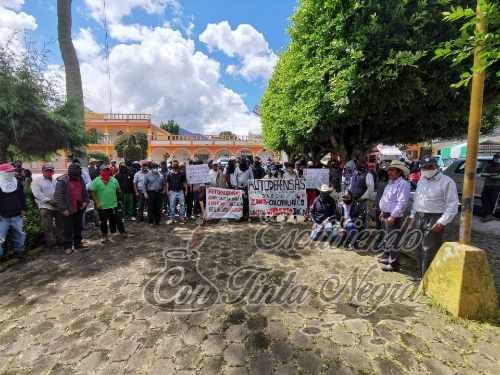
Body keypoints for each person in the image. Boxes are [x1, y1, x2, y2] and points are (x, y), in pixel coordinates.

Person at [410, 156, 459, 279]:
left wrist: (442, 222)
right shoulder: (422, 180)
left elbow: (452, 204)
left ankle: (428, 276)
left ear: (435, 167)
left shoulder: (447, 182)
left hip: (435, 217)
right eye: (424, 167)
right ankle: (420, 272)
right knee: (417, 247)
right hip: (419, 216)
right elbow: (417, 199)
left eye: (429, 167)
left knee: (429, 249)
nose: (427, 169)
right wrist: (412, 216)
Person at [378, 160, 411, 272]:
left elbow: (402, 202)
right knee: (388, 237)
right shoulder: (390, 183)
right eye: (389, 170)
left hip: (393, 216)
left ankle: (394, 263)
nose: (389, 172)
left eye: (392, 170)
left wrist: (393, 215)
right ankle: (388, 257)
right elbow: (386, 199)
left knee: (393, 239)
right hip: (387, 214)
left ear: (399, 172)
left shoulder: (403, 184)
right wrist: (383, 211)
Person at [54, 163, 89, 254]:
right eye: (76, 175)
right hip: (68, 208)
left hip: (79, 206)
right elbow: (58, 196)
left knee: (78, 226)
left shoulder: (80, 178)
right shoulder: (62, 181)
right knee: (67, 228)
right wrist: (63, 209)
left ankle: (78, 243)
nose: (78, 177)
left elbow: (84, 191)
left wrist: (85, 201)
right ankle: (68, 246)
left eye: (78, 175)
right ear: (70, 173)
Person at [90, 164, 127, 243]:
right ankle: (104, 236)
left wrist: (120, 200)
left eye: (107, 170)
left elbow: (119, 191)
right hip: (102, 206)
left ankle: (122, 232)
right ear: (100, 171)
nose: (106, 171)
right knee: (103, 222)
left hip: (114, 204)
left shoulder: (114, 180)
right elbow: (92, 192)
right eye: (104, 170)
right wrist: (97, 203)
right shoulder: (96, 181)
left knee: (118, 219)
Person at [0, 163, 27, 270]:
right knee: (0, 238)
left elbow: (22, 197)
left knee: (19, 234)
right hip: (2, 217)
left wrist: (23, 209)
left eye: (12, 171)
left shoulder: (17, 183)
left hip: (16, 215)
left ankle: (19, 252)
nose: (11, 173)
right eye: (9, 172)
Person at [31, 163, 63, 249]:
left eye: (51, 171)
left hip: (57, 206)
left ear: (53, 172)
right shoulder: (37, 181)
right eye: (47, 171)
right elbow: (37, 194)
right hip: (45, 207)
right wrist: (49, 201)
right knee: (47, 226)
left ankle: (61, 241)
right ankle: (51, 244)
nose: (49, 172)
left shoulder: (55, 181)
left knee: (60, 224)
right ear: (43, 171)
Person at [480, 153, 500, 222]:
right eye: (496, 158)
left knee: (493, 201)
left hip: (496, 186)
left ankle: (490, 215)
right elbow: (482, 174)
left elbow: (498, 176)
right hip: (487, 186)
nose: (497, 159)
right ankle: (488, 215)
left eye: (498, 158)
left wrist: (489, 175)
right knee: (485, 200)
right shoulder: (488, 166)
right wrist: (492, 174)